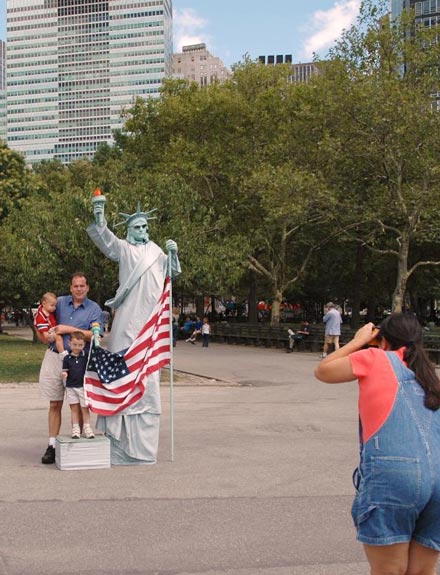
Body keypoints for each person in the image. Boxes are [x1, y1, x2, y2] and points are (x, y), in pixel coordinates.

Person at [315, 313, 440, 575]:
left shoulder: (375, 358)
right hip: (438, 479)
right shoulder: (430, 377)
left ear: (382, 341)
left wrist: (358, 341)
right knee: (422, 571)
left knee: (389, 570)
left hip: (395, 477)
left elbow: (323, 371)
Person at [87, 199, 181, 465]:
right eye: (138, 226)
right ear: (129, 230)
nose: (143, 229)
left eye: (145, 225)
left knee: (149, 380)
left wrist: (174, 252)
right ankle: (117, 441)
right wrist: (99, 216)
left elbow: (171, 273)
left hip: (151, 324)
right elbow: (106, 241)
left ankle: (143, 449)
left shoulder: (156, 252)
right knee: (121, 374)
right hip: (127, 322)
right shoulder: (124, 249)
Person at [39, 272, 102, 464]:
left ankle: (81, 442)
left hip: (79, 360)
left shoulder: (94, 308)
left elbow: (95, 335)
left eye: (82, 286)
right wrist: (41, 331)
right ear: (70, 287)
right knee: (55, 403)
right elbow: (43, 315)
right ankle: (52, 445)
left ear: (88, 287)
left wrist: (68, 329)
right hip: (56, 356)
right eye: (76, 286)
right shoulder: (59, 302)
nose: (79, 289)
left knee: (80, 403)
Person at [62, 332, 95, 439]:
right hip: (71, 387)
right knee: (74, 409)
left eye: (80, 345)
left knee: (84, 408)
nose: (77, 347)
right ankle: (75, 428)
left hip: (82, 387)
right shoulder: (67, 358)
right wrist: (64, 374)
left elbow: (94, 354)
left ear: (84, 344)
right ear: (69, 343)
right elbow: (65, 370)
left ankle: (87, 428)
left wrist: (96, 339)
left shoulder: (85, 356)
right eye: (74, 345)